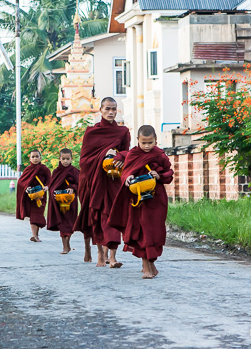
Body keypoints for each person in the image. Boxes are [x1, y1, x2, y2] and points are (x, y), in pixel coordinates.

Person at [109, 125, 174, 279]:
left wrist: (159, 175)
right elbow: (125, 173)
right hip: (138, 200)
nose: (146, 146)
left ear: (156, 141)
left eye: (150, 143)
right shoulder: (133, 154)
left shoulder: (160, 155)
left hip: (156, 199)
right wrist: (128, 178)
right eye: (143, 142)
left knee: (154, 231)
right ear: (137, 140)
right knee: (143, 231)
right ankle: (146, 268)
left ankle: (151, 265)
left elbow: (169, 174)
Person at [74, 97, 130, 268]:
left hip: (113, 180)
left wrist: (119, 155)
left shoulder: (123, 132)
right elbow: (84, 160)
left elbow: (127, 153)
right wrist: (104, 154)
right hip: (94, 180)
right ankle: (100, 253)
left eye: (114, 109)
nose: (111, 112)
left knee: (113, 216)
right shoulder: (91, 132)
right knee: (97, 217)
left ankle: (112, 257)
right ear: (100, 110)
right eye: (107, 109)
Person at [46, 149, 80, 254]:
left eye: (67, 159)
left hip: (71, 201)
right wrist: (55, 193)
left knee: (69, 224)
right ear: (59, 159)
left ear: (71, 159)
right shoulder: (56, 172)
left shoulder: (75, 171)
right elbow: (52, 186)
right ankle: (65, 246)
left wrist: (72, 188)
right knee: (62, 224)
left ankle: (67, 244)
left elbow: (80, 184)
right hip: (59, 202)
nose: (65, 161)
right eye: (63, 159)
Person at [16, 149, 51, 242]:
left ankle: (36, 235)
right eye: (33, 157)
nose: (35, 158)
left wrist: (47, 186)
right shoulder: (28, 169)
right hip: (31, 196)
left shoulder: (44, 169)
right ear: (30, 159)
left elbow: (50, 180)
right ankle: (35, 236)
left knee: (38, 214)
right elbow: (21, 182)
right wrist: (26, 188)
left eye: (37, 156)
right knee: (33, 216)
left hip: (41, 195)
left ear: (40, 158)